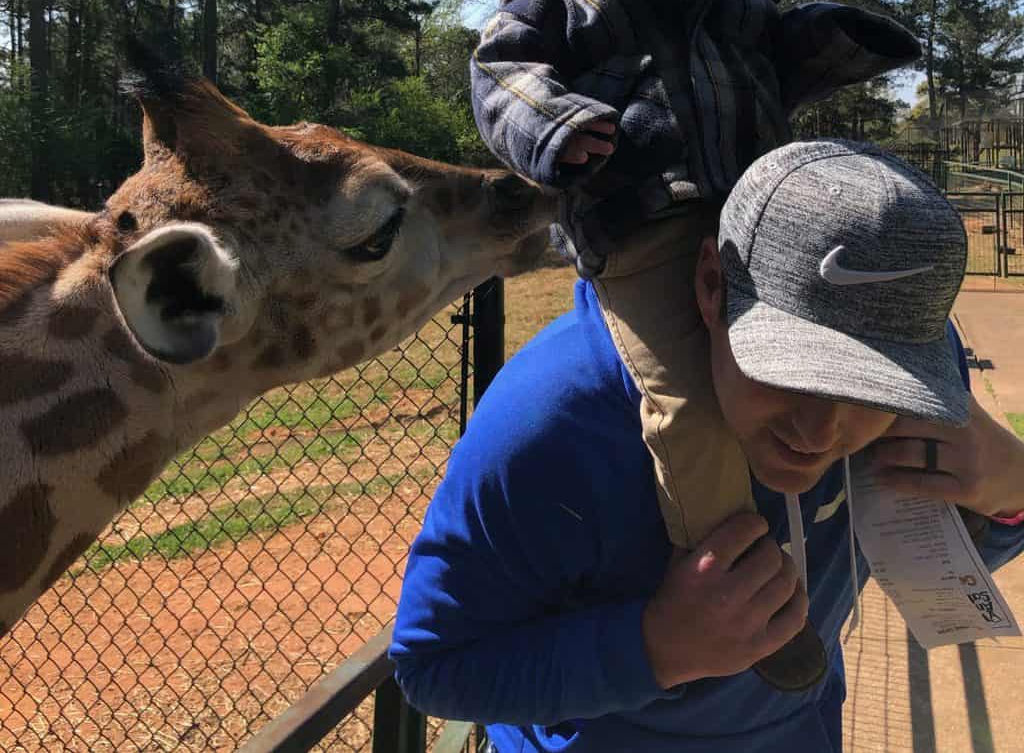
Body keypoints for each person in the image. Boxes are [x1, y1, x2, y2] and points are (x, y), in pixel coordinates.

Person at [467, 0, 921, 687]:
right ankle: (745, 592)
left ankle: (934, 493)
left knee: (870, 339)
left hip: (762, 218)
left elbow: (781, 62)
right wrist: (551, 124)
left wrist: (843, 41)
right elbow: (497, 78)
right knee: (692, 409)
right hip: (644, 231)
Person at [390, 141, 1024, 752]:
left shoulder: (918, 374)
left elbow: (943, 554)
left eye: (870, 389)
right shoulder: (554, 418)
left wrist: (1012, 489)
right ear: (712, 284)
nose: (821, 431)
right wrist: (652, 650)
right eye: (791, 370)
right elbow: (434, 668)